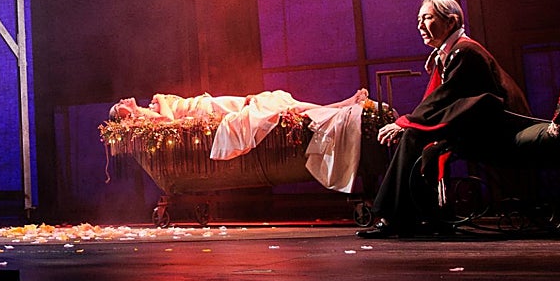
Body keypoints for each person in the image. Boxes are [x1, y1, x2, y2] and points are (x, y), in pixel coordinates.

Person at [357, 0, 531, 238]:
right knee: (421, 141)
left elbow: (446, 97)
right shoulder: (451, 52)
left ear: (451, 22)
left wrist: (406, 122)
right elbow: (442, 99)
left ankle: (393, 216)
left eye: (427, 18)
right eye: (419, 19)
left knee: (413, 136)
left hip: (496, 124)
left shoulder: (465, 51)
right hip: (476, 119)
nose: (420, 25)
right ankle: (419, 216)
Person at [109, 87, 374, 192]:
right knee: (282, 106)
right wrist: (153, 110)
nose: (122, 100)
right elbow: (169, 124)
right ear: (126, 114)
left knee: (282, 102)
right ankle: (340, 105)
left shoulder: (156, 103)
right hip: (213, 113)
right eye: (119, 106)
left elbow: (171, 115)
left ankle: (339, 105)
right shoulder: (153, 118)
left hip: (215, 106)